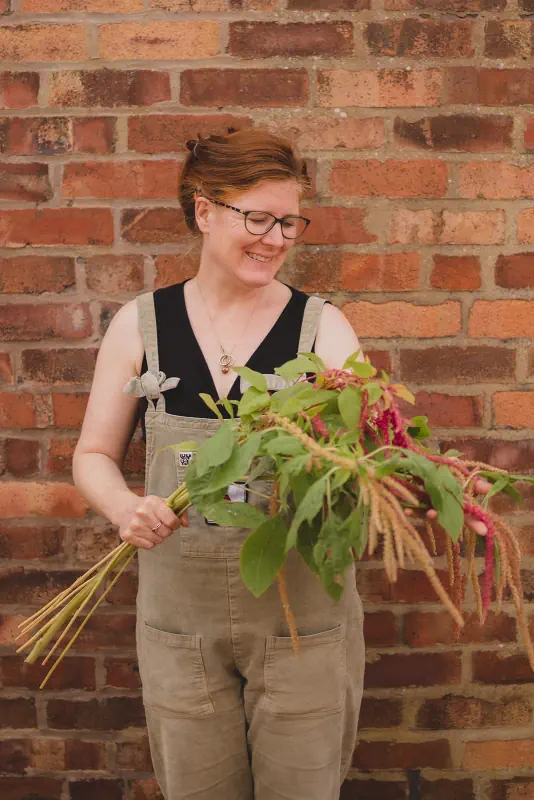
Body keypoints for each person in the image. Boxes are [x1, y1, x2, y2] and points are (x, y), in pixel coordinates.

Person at [72, 127, 489, 800]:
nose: (276, 238)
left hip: (302, 624)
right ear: (205, 211)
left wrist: (398, 477)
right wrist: (126, 508)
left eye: (289, 221)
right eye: (258, 218)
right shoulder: (140, 326)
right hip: (181, 622)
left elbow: (370, 452)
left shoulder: (322, 330)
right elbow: (92, 455)